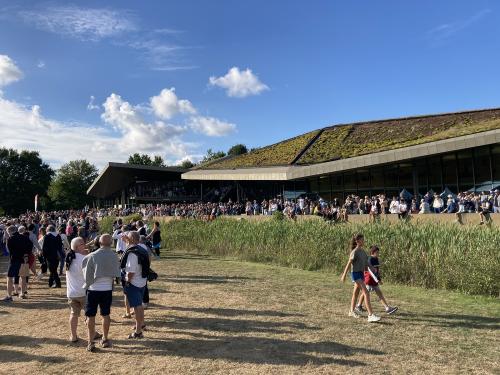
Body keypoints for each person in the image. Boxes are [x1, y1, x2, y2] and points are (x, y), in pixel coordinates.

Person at [82, 234, 121, 352]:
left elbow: (86, 274)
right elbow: (117, 273)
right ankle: (104, 338)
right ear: (111, 243)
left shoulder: (92, 256)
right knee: (106, 315)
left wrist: (87, 284)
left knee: (90, 316)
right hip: (107, 289)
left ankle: (90, 342)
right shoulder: (114, 256)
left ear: (99, 242)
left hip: (93, 290)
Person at [340, 233, 381, 322]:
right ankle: (370, 315)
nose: (364, 241)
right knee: (366, 292)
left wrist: (372, 268)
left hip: (361, 273)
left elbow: (366, 263)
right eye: (362, 239)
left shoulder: (363, 252)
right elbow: (349, 263)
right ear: (357, 241)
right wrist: (344, 275)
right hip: (355, 274)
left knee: (356, 292)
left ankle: (351, 311)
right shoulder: (354, 252)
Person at [120, 231, 149, 339]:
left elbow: (131, 271)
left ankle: (138, 332)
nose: (125, 238)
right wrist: (127, 241)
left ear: (132, 239)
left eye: (128, 237)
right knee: (139, 306)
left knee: (137, 307)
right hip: (142, 281)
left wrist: (127, 281)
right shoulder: (141, 248)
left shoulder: (132, 253)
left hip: (134, 283)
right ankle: (141, 325)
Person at [354, 246, 398, 315]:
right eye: (376, 252)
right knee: (365, 293)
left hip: (375, 280)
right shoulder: (369, 259)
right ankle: (359, 306)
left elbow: (377, 271)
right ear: (372, 252)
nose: (378, 254)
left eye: (378, 252)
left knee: (378, 293)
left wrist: (379, 278)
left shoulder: (376, 259)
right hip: (369, 279)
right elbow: (370, 271)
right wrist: (377, 279)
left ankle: (387, 308)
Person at [66, 237, 88, 343]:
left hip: (72, 292)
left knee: (73, 314)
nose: (85, 245)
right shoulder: (84, 259)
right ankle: (92, 334)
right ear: (77, 247)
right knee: (89, 314)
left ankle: (73, 336)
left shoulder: (69, 258)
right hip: (83, 291)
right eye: (83, 244)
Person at [2, 226, 32, 301]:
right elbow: (30, 246)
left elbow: (8, 251)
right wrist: (26, 254)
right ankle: (22, 293)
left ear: (10, 231)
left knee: (10, 277)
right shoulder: (25, 237)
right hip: (24, 259)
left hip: (14, 260)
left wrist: (6, 240)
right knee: (23, 277)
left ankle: (9, 296)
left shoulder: (10, 238)